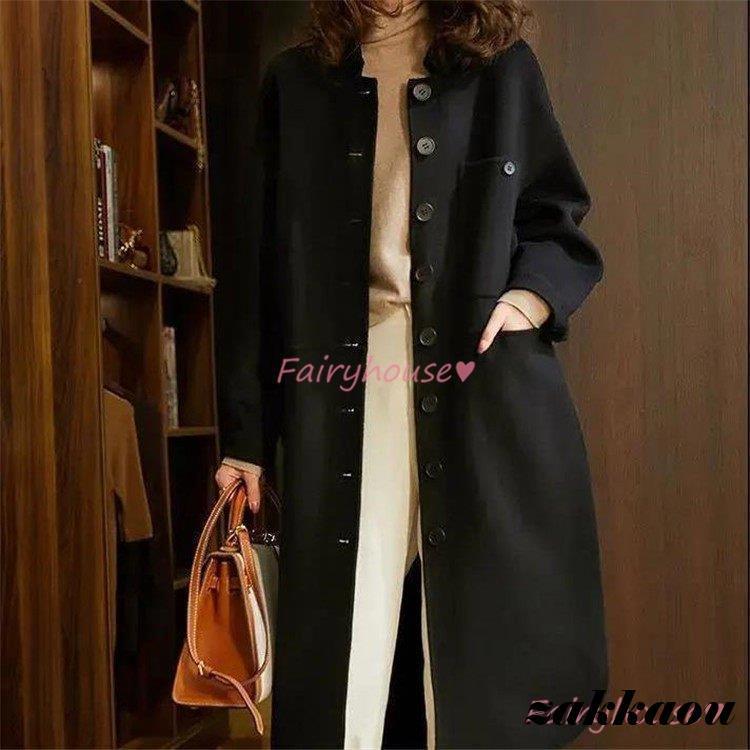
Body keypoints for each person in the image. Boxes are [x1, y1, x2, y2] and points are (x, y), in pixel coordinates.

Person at [216, 1, 607, 747]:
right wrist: (246, 438)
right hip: (340, 378)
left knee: (478, 629)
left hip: (481, 378)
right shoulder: (296, 83)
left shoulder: (500, 69)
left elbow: (556, 214)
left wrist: (528, 299)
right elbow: (255, 270)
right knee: (347, 635)